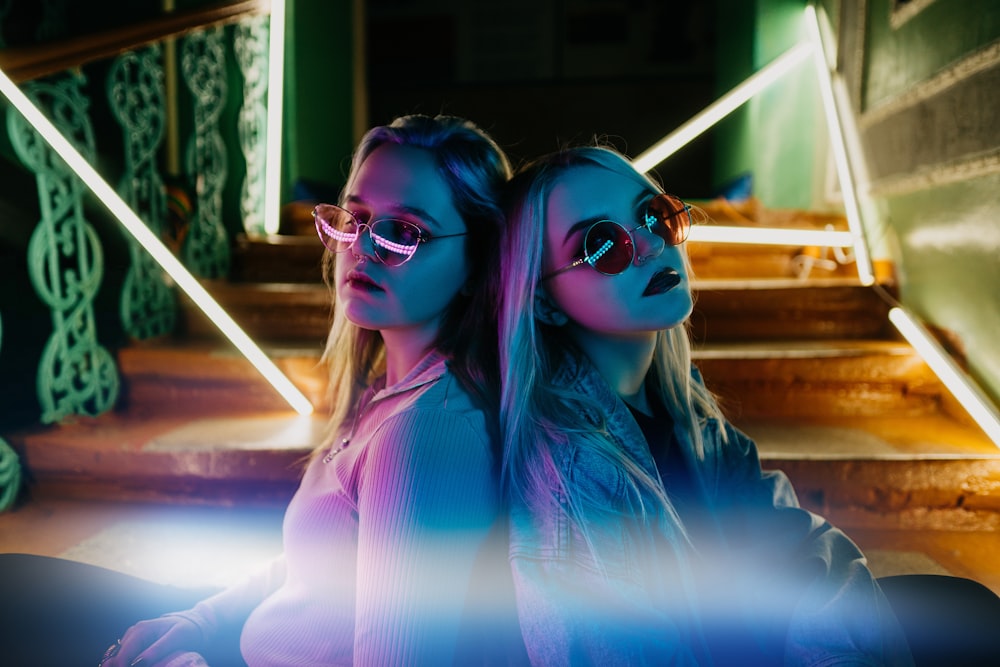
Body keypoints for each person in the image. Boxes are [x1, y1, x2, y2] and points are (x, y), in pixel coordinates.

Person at [0, 114, 521, 667]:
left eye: (403, 233)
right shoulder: (385, 389)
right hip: (241, 637)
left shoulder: (427, 432)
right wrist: (197, 620)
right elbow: (310, 566)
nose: (363, 248)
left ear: (476, 263)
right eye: (356, 217)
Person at [496, 144, 915, 666]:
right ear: (542, 302)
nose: (650, 244)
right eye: (604, 246)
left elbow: (786, 531)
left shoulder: (677, 395)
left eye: (655, 215)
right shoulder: (573, 474)